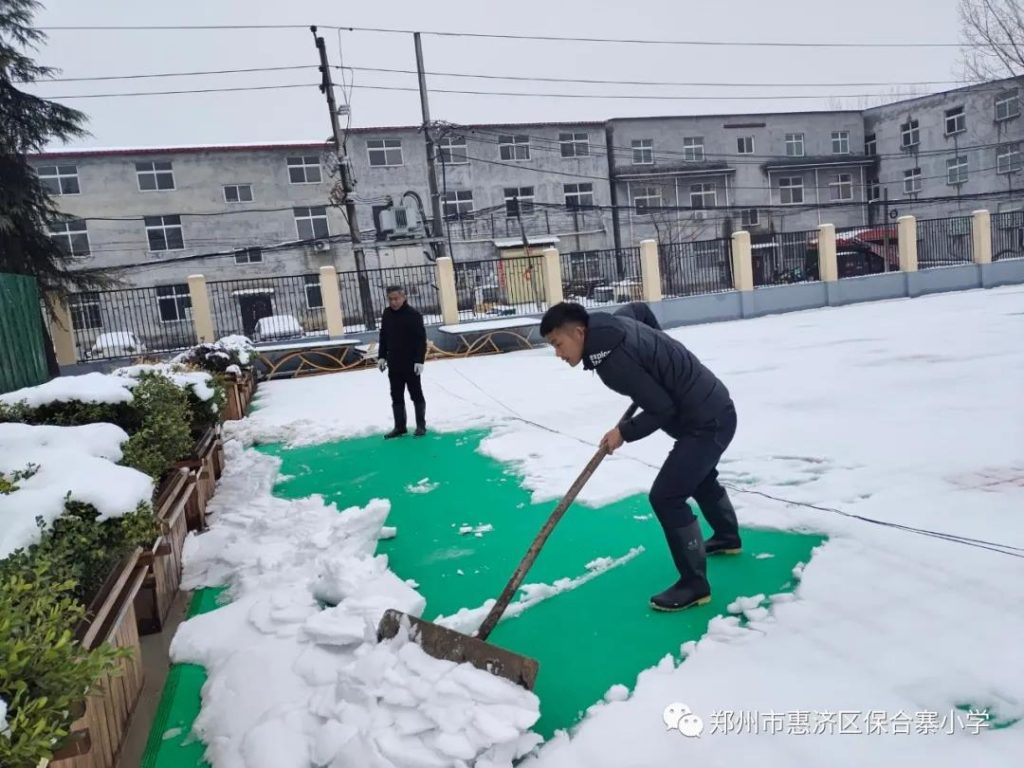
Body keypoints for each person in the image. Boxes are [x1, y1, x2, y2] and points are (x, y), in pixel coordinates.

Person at [539, 301, 742, 612]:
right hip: (709, 406)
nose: (558, 353)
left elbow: (662, 409)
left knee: (666, 497)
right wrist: (659, 355)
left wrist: (624, 432)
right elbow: (641, 310)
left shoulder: (612, 365)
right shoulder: (614, 323)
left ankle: (694, 584)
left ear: (579, 332)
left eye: (558, 344)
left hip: (706, 422)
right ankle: (728, 537)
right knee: (697, 476)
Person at [376, 285, 428, 438]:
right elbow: (383, 336)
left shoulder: (413, 315)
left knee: (416, 394)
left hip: (411, 364)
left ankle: (421, 426)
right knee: (396, 396)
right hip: (394, 363)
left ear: (404, 297)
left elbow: (421, 340)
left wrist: (419, 360)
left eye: (396, 298)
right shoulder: (387, 314)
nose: (393, 302)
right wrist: (382, 356)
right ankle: (400, 427)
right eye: (390, 299)